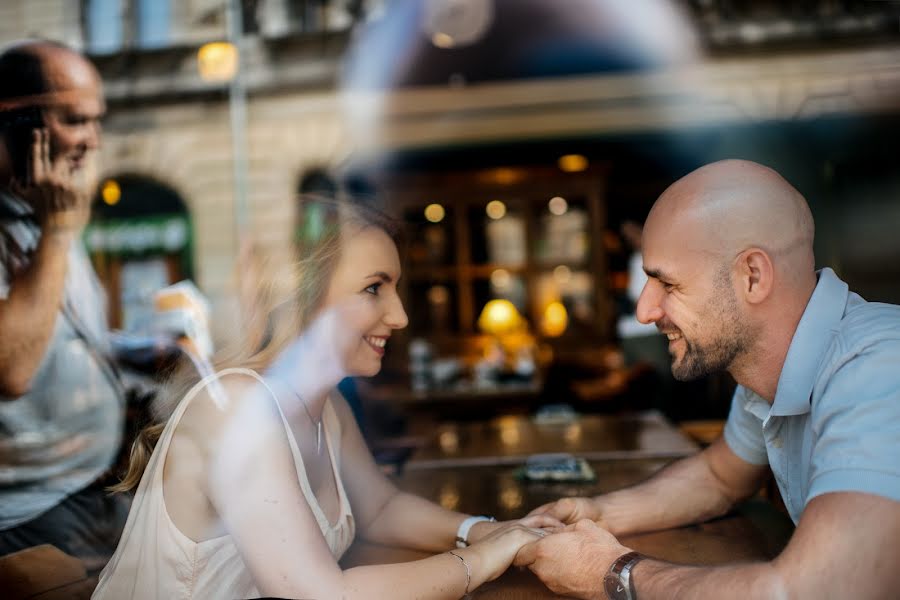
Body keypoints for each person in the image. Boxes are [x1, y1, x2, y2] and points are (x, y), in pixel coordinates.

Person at [93, 198, 559, 599]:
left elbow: (381, 509)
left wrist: (484, 529)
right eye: (373, 288)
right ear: (303, 299)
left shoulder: (326, 405)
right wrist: (486, 557)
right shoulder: (236, 408)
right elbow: (322, 594)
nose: (398, 316)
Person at [517, 159, 900, 599]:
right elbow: (718, 478)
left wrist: (611, 572)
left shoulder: (878, 367)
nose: (645, 310)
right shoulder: (768, 371)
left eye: (668, 284)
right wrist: (593, 515)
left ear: (752, 276)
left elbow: (815, 589)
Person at [0, 40, 129, 568]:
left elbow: (63, 330)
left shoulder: (46, 205)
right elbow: (10, 368)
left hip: (94, 488)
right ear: (15, 123)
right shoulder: (55, 217)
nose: (92, 141)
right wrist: (57, 233)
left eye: (97, 121)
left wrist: (139, 351)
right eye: (75, 121)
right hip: (31, 513)